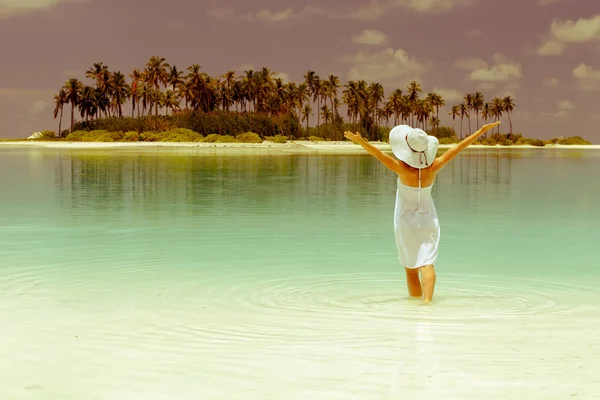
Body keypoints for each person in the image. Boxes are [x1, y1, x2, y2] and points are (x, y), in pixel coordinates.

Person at [344, 121, 501, 303]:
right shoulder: (433, 168)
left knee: (411, 268)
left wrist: (360, 141)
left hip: (405, 221)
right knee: (427, 263)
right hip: (428, 218)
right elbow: (458, 148)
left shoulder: (401, 169)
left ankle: (414, 309)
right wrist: (480, 131)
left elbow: (377, 154)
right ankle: (427, 304)